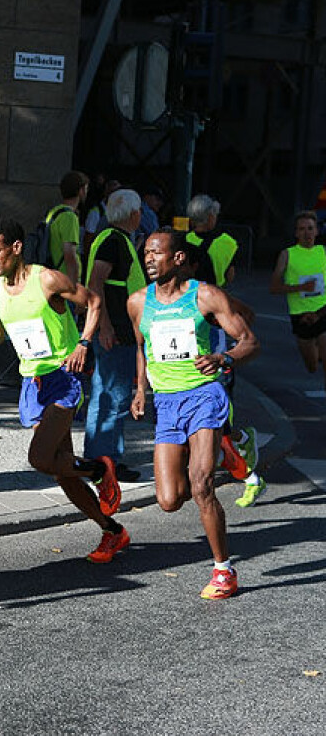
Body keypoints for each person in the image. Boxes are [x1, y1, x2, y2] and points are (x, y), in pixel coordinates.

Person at [0, 216, 128, 564]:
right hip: (33, 382)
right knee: (63, 472)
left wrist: (84, 344)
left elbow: (94, 302)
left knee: (40, 458)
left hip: (64, 375)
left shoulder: (46, 280)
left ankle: (101, 470)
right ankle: (112, 530)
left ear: (16, 248)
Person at [128, 228, 259, 599]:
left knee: (202, 486)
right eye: (146, 253)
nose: (149, 259)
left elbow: (249, 340)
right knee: (169, 500)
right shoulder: (138, 302)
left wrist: (224, 358)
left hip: (204, 395)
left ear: (179, 258)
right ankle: (228, 451)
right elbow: (142, 347)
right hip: (167, 403)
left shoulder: (205, 296)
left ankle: (223, 570)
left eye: (157, 253)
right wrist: (140, 389)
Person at [183, 199, 264, 506]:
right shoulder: (228, 242)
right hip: (212, 318)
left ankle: (244, 467)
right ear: (213, 216)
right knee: (212, 416)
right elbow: (229, 279)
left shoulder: (182, 243)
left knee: (214, 411)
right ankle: (240, 449)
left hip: (210, 324)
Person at [83, 189, 146, 482]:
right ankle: (106, 461)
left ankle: (101, 458)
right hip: (116, 331)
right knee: (114, 396)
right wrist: (105, 326)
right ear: (134, 214)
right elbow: (97, 283)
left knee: (107, 393)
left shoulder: (111, 238)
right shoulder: (113, 241)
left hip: (117, 329)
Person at [270, 210, 326, 392]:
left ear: (317, 231)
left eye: (310, 229)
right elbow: (274, 287)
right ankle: (315, 351)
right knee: (312, 367)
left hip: (322, 311)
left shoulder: (323, 251)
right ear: (296, 233)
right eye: (302, 229)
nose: (307, 233)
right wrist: (300, 288)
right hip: (301, 316)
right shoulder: (287, 254)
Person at [185, 194, 238, 288]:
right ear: (210, 217)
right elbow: (230, 277)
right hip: (216, 293)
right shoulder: (228, 242)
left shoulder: (183, 239)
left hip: (187, 293)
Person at [47, 171, 88, 283]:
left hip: (53, 276)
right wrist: (74, 286)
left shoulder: (54, 212)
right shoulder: (70, 217)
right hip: (65, 280)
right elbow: (69, 253)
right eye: (86, 188)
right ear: (81, 191)